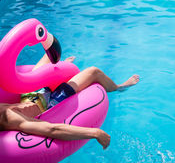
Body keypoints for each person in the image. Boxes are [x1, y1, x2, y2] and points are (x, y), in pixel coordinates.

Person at [0, 54, 139, 149]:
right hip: (50, 103)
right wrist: (95, 133)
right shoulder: (9, 119)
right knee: (93, 72)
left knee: (49, 55)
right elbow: (52, 129)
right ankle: (119, 87)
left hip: (29, 96)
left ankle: (61, 70)